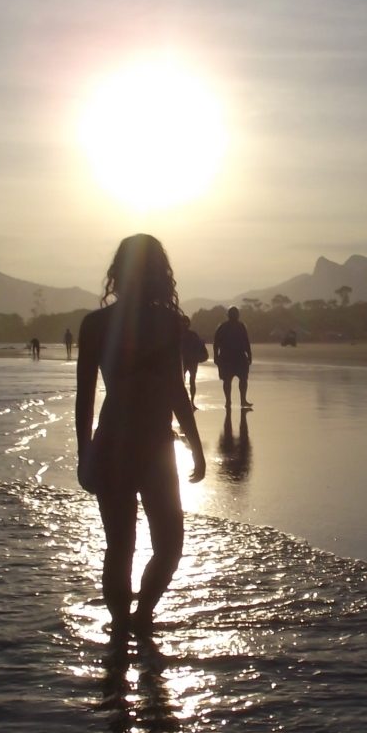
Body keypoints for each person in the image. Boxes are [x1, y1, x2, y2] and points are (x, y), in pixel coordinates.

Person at [75, 234, 205, 653]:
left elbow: (84, 398)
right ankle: (139, 619)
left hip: (115, 442)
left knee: (122, 546)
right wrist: (196, 447)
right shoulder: (164, 323)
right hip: (151, 445)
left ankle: (124, 628)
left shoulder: (98, 324)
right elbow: (173, 391)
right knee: (167, 543)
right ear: (158, 272)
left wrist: (85, 452)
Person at [213, 305, 252, 411]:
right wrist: (216, 356)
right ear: (229, 315)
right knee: (227, 381)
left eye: (236, 314)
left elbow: (246, 341)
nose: (235, 315)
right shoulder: (223, 327)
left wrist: (249, 354)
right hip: (227, 357)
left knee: (243, 379)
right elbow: (216, 343)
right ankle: (228, 400)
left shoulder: (241, 326)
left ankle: (243, 400)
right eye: (233, 314)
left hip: (239, 357)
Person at [181, 317, 208, 407]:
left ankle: (190, 402)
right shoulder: (192, 335)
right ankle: (190, 402)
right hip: (188, 361)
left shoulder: (182, 335)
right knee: (189, 381)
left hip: (187, 361)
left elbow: (201, 346)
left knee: (187, 381)